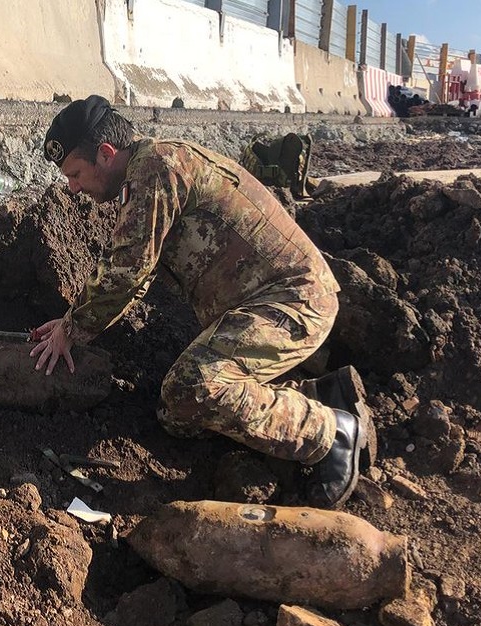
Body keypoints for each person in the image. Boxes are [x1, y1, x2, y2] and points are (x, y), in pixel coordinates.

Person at [30, 95, 375, 508]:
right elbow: (135, 272)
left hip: (293, 301)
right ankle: (320, 393)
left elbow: (127, 271)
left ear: (105, 154)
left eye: (75, 174)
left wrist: (71, 329)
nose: (72, 187)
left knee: (193, 387)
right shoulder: (149, 169)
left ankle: (329, 432)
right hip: (262, 303)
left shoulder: (156, 170)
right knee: (178, 415)